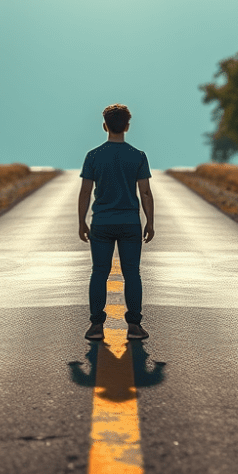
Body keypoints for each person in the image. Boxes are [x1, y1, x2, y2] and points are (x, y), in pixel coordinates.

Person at [78, 104, 154, 341]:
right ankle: (133, 326)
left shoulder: (93, 156)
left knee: (99, 272)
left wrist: (82, 221)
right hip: (130, 223)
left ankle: (96, 327)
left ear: (105, 126)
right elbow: (146, 193)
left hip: (101, 223)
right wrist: (149, 222)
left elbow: (85, 192)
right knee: (132, 273)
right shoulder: (138, 156)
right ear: (127, 127)